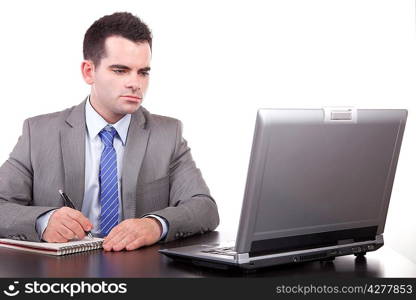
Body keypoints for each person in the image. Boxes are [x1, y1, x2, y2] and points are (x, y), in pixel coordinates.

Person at [0, 12, 219, 251]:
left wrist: (155, 225)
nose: (135, 83)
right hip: (61, 275)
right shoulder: (39, 133)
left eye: (143, 72)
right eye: (120, 70)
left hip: (140, 271)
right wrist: (43, 221)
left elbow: (204, 208)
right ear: (88, 72)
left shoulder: (167, 134)